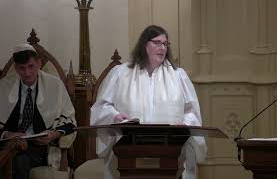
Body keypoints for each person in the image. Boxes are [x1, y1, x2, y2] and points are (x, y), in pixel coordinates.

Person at [91, 25, 207, 179]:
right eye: (157, 43)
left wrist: (185, 124)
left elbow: (191, 111)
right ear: (144, 44)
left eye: (165, 44)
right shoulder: (121, 74)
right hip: (128, 152)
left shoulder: (179, 76)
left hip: (171, 151)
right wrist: (114, 116)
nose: (162, 48)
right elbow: (102, 107)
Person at [0, 44, 76, 179]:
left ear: (39, 64)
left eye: (31, 66)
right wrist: (6, 134)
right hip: (8, 143)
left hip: (38, 147)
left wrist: (53, 135)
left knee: (19, 160)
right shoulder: (4, 86)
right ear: (16, 68)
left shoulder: (55, 85)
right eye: (22, 68)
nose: (27, 73)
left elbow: (70, 121)